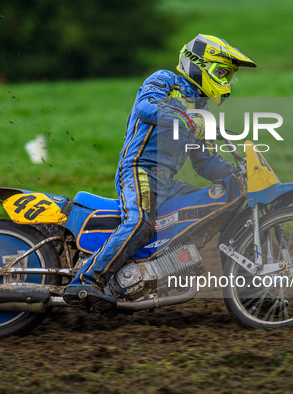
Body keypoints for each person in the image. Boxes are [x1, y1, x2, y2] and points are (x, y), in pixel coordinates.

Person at [63, 34, 257, 310]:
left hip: (167, 183)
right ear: (199, 64)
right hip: (138, 171)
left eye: (229, 76)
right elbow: (147, 107)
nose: (225, 81)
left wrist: (237, 174)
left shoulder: (199, 108)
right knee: (141, 221)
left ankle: (249, 292)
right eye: (222, 72)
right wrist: (187, 120)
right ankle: (86, 280)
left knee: (222, 202)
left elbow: (204, 162)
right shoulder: (165, 80)